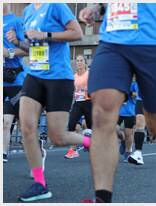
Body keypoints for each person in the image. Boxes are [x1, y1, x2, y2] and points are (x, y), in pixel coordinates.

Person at [79, 3, 156, 203]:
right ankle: (102, 198)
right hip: (114, 37)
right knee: (102, 112)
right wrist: (98, 6)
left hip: (153, 39)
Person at [13, 3, 91, 202]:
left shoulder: (56, 5)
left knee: (58, 137)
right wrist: (17, 43)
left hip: (59, 77)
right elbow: (32, 48)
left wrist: (45, 34)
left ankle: (92, 142)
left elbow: (77, 34)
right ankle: (40, 183)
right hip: (35, 75)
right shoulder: (28, 11)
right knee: (27, 127)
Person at [3, 3, 28, 163]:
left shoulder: (16, 22)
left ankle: (37, 152)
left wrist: (8, 53)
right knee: (5, 121)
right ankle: (3, 154)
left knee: (26, 125)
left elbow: (27, 49)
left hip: (16, 81)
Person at [64, 55, 93, 159]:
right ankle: (73, 150)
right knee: (71, 125)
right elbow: (73, 91)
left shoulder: (89, 74)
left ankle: (93, 145)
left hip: (89, 102)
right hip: (78, 102)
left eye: (81, 60)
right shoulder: (74, 76)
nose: (79, 62)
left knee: (91, 128)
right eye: (77, 61)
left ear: (85, 63)